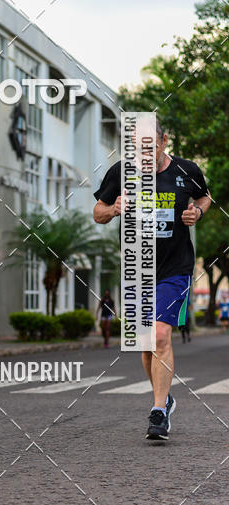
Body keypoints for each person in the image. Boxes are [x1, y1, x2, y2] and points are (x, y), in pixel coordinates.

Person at [93, 118, 211, 441]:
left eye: (150, 146)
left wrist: (196, 213)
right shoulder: (122, 173)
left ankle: (158, 411)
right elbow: (97, 211)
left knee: (160, 335)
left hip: (175, 267)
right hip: (138, 268)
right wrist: (114, 208)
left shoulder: (187, 171)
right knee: (145, 344)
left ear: (164, 141)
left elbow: (205, 198)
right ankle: (165, 398)